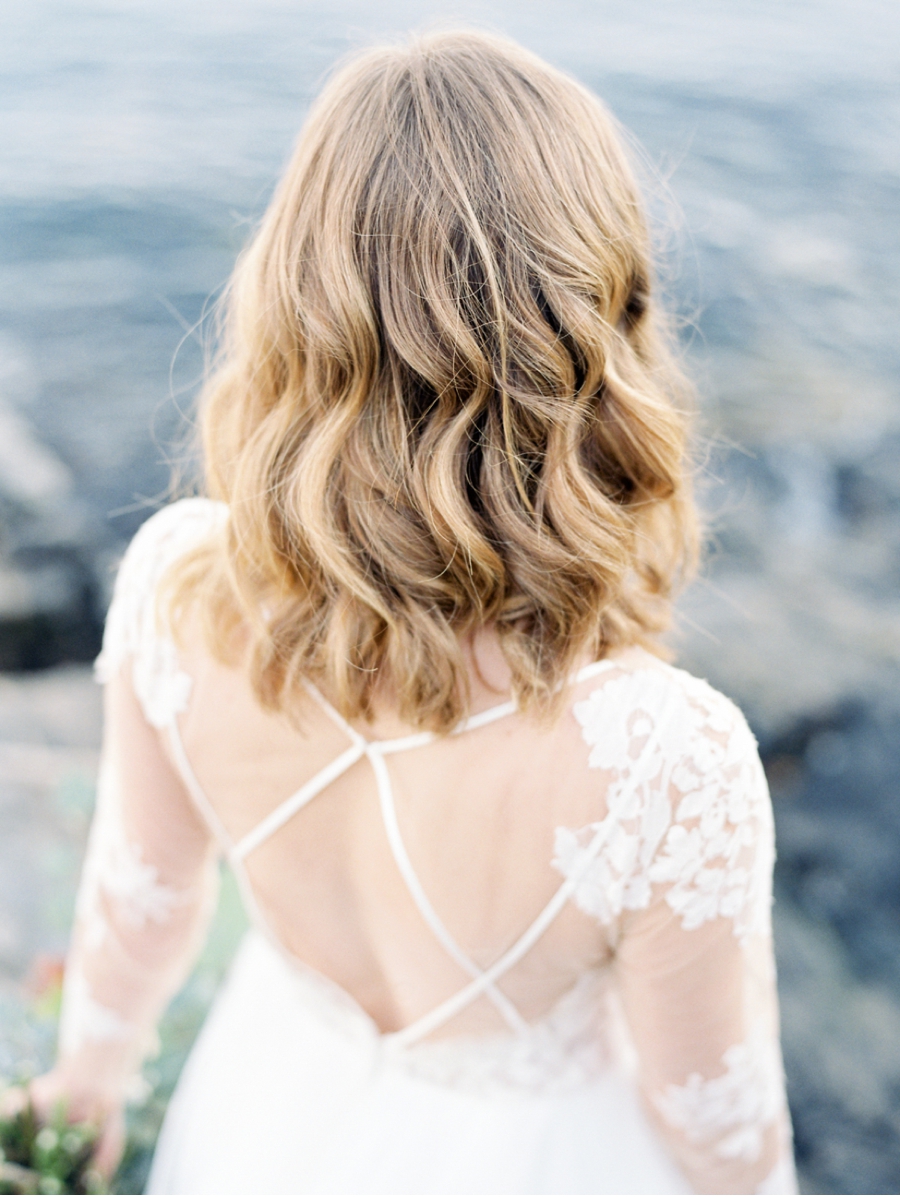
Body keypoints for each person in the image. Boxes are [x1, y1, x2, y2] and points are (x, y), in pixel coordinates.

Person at [21, 30, 796, 1194]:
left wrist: (84, 1093)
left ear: (293, 298)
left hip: (263, 1126)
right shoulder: (670, 758)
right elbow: (717, 1121)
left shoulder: (176, 588)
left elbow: (141, 905)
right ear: (588, 324)